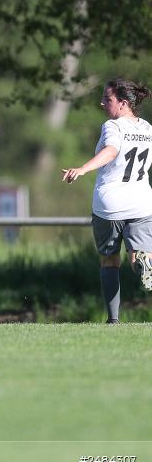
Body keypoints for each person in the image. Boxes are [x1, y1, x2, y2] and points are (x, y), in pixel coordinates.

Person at [62, 77, 152, 324]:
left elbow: (111, 150)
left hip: (110, 205)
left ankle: (113, 320)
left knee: (110, 260)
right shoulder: (147, 128)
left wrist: (83, 169)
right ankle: (144, 264)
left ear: (123, 103)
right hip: (142, 203)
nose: (102, 103)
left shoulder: (113, 126)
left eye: (107, 99)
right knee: (139, 256)